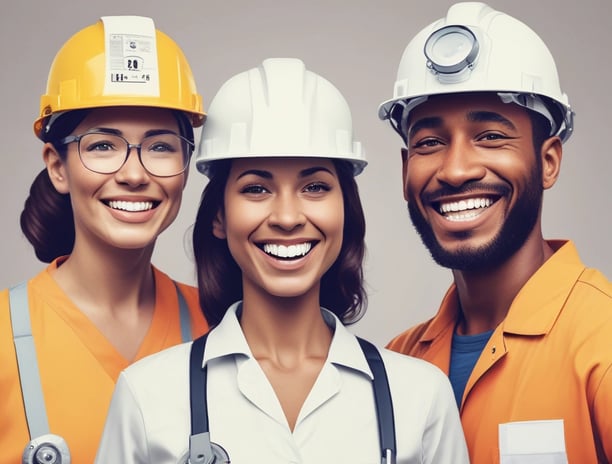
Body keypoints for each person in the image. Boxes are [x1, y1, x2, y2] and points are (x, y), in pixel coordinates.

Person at [95, 57, 468, 463]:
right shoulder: (146, 396)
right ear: (219, 216)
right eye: (256, 189)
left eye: (314, 186)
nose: (288, 218)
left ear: (346, 211)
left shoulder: (420, 396)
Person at [378, 2, 612, 463]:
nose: (456, 170)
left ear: (548, 161)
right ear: (405, 171)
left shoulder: (601, 341)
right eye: (429, 143)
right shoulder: (397, 363)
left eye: (490, 136)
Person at [0, 16, 209, 464]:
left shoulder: (222, 326)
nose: (134, 174)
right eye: (102, 146)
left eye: (160, 146)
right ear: (58, 166)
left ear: (187, 165)